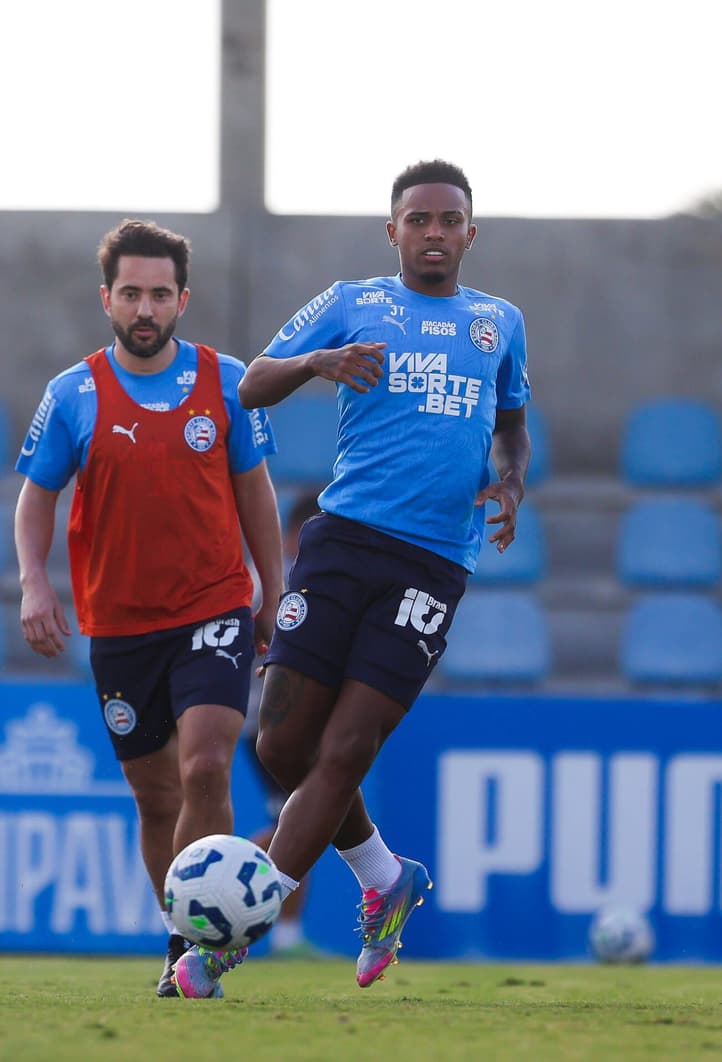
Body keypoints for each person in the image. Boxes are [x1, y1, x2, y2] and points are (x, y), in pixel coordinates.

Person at [173, 159, 532, 997]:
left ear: (470, 233)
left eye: (450, 220)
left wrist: (510, 481)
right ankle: (383, 875)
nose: (434, 232)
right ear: (393, 230)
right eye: (419, 218)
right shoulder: (352, 302)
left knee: (345, 746)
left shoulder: (499, 323)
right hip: (340, 544)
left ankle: (227, 942)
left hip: (432, 563)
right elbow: (250, 384)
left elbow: (511, 425)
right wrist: (321, 363)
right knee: (283, 745)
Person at [13, 219, 283, 999]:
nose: (145, 307)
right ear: (107, 298)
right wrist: (35, 581)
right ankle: (181, 932)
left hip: (215, 606)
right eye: (131, 292)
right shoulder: (73, 394)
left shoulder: (227, 381)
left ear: (182, 300)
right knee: (157, 796)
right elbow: (36, 501)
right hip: (120, 626)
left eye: (160, 294)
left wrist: (272, 591)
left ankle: (196, 947)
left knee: (205, 766)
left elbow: (255, 494)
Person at [242, 491, 322, 957]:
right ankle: (221, 872)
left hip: (285, 720)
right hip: (271, 722)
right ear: (295, 535)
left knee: (303, 817)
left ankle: (289, 937)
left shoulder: (298, 580)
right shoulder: (272, 583)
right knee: (302, 819)